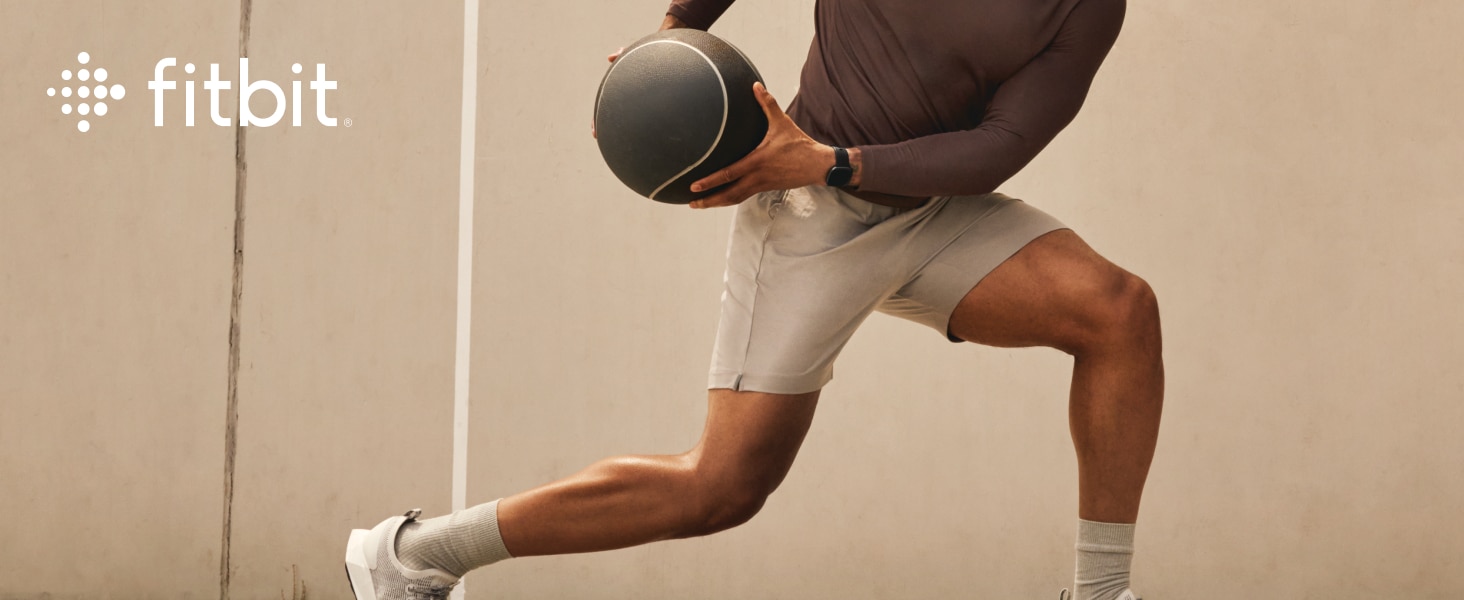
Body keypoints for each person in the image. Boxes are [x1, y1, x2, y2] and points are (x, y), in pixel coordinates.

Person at [345, 0, 1160, 598]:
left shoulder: (1088, 7)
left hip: (930, 205)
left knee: (1118, 310)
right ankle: (416, 553)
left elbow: (1000, 146)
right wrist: (670, 38)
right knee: (722, 489)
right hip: (809, 217)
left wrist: (834, 160)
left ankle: (1101, 594)